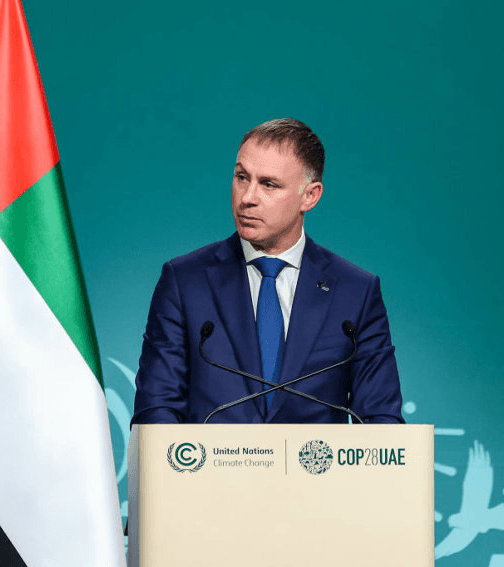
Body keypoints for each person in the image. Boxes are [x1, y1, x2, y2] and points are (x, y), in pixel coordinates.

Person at [131, 118, 403, 424]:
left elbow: (381, 420)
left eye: (268, 184)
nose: (247, 197)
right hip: (210, 471)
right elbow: (156, 410)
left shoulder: (355, 292)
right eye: (242, 178)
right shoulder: (184, 282)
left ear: (310, 196)